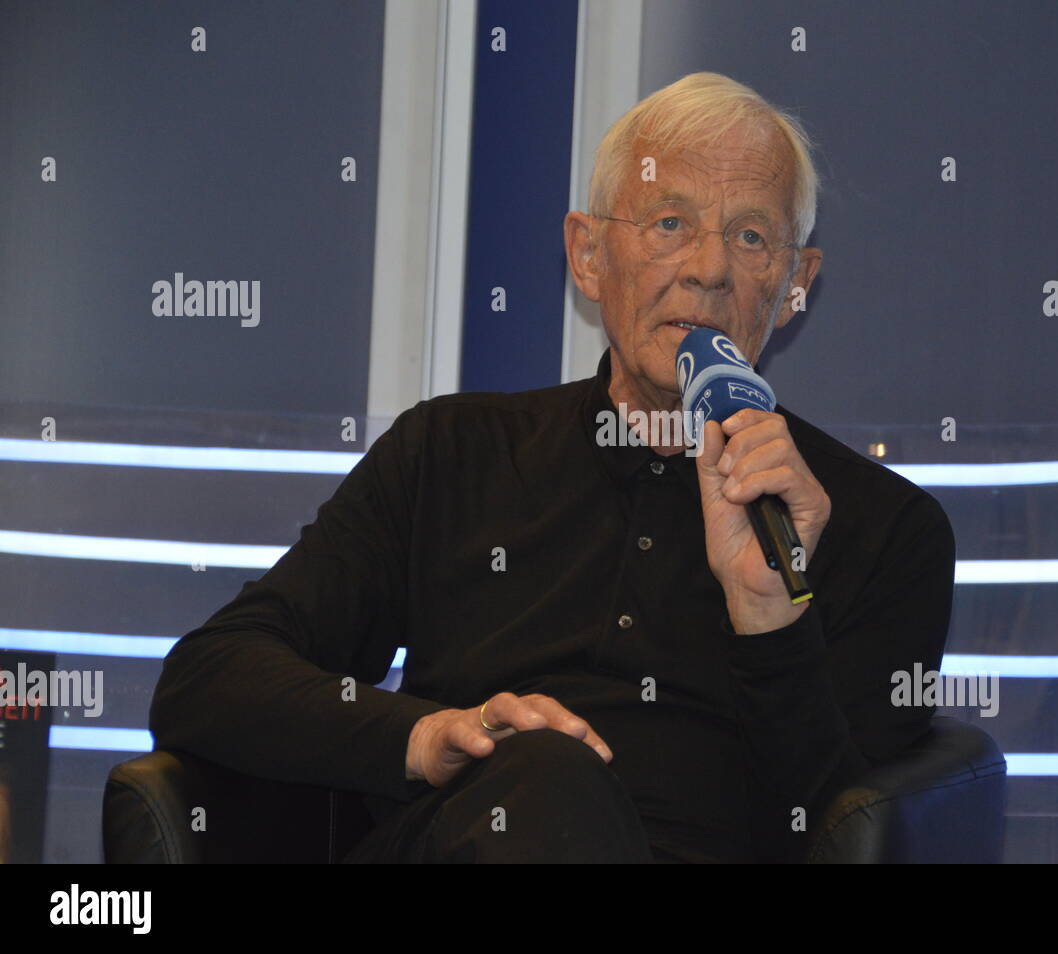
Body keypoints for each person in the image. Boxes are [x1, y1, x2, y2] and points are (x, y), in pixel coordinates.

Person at [149, 72, 956, 863]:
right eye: (669, 222)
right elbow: (207, 679)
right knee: (541, 772)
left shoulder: (884, 531)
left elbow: (844, 829)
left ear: (792, 288)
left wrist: (769, 615)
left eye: (750, 237)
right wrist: (425, 735)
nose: (708, 269)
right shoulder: (452, 453)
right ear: (590, 254)